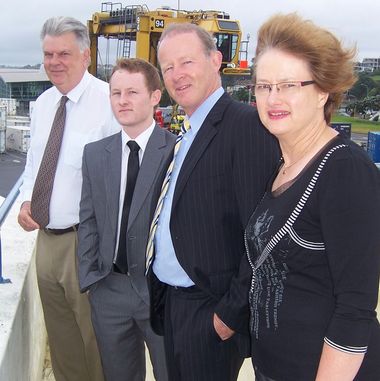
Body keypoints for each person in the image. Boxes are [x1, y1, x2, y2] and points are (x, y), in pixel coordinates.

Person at [245, 13, 380, 381]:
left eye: (289, 84)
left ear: (323, 89)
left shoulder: (345, 171)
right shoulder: (283, 165)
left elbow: (355, 309)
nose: (273, 98)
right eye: (263, 86)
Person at [148, 23, 279, 381]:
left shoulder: (246, 127)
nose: (177, 74)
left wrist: (229, 315)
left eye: (187, 61)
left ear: (216, 60)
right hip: (173, 301)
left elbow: (262, 234)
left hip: (209, 309)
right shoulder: (187, 132)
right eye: (168, 67)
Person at [17, 17, 118, 381]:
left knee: (96, 341)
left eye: (63, 53)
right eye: (47, 54)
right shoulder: (43, 104)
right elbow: (34, 163)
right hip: (46, 241)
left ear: (86, 55)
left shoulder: (109, 102)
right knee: (62, 341)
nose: (54, 61)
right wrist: (27, 202)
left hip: (87, 242)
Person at [77, 58, 174, 381]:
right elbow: (88, 220)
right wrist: (91, 278)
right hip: (109, 290)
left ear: (155, 96)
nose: (123, 100)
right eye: (116, 92)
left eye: (133, 92)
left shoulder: (176, 151)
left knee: (171, 373)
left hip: (161, 293)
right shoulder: (95, 154)